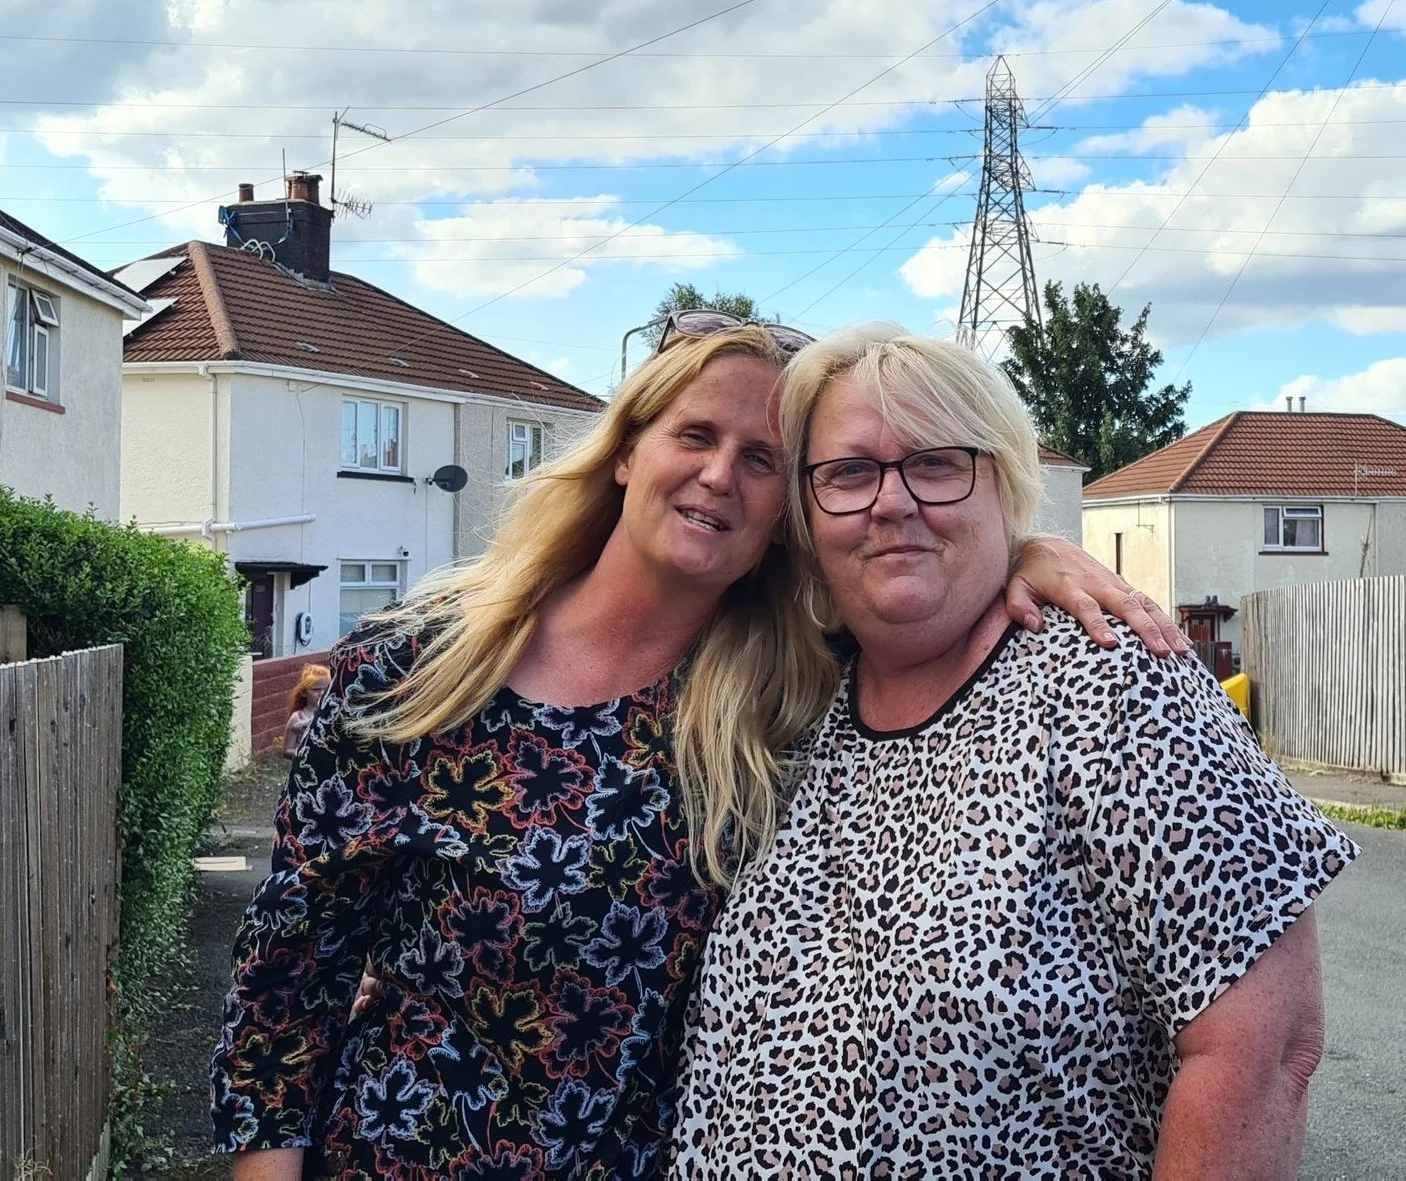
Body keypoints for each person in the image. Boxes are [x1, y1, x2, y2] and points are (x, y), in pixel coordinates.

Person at [212, 312, 1183, 1180]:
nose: (720, 472)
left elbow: (923, 555)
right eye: (694, 434)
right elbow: (286, 984)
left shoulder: (796, 696)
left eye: (762, 458)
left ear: (781, 520)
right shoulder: (411, 671)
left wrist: (1023, 550)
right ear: (627, 451)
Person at [669, 324, 1359, 1180]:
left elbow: (1265, 1052)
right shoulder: (794, 702)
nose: (891, 501)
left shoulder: (1113, 682)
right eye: (849, 472)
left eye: (937, 463)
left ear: (1004, 485)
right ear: (806, 522)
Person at [281, 664, 331, 759]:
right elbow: (286, 751)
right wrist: (308, 753)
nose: (321, 693)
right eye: (315, 690)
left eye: (326, 689)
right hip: (305, 769)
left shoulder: (333, 712)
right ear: (304, 692)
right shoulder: (297, 718)